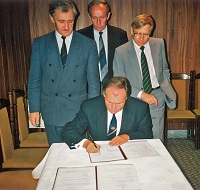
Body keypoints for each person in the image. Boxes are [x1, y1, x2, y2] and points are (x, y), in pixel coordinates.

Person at [28, 0, 100, 146]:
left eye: (70, 21)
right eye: (61, 21)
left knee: (78, 157)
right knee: (56, 155)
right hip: (52, 110)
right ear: (52, 18)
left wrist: (92, 112)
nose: (66, 26)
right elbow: (34, 80)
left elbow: (93, 82)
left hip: (78, 112)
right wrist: (34, 108)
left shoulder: (88, 44)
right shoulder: (40, 43)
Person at [113, 14, 177, 142]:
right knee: (136, 139)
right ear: (132, 30)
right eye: (137, 34)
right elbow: (120, 81)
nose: (141, 38)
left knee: (157, 139)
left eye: (146, 34)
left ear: (151, 31)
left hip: (157, 96)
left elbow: (165, 69)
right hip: (134, 99)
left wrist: (164, 88)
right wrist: (142, 94)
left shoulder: (159, 44)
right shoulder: (121, 51)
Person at [62, 76, 153, 153]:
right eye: (109, 102)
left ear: (126, 98)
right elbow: (69, 131)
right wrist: (85, 143)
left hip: (127, 153)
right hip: (98, 154)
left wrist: (127, 137)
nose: (113, 108)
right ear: (104, 95)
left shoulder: (140, 108)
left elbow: (147, 133)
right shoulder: (89, 107)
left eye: (119, 103)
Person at [78, 0, 128, 84]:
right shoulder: (80, 36)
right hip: (88, 87)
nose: (98, 22)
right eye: (94, 18)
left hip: (114, 86)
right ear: (90, 17)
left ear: (108, 15)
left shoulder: (120, 35)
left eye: (102, 17)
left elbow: (124, 64)